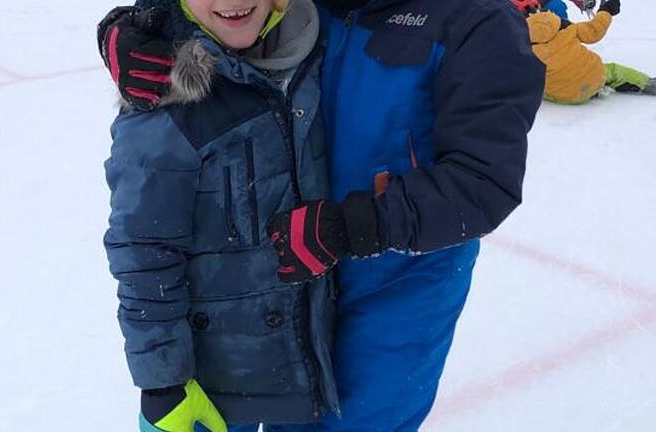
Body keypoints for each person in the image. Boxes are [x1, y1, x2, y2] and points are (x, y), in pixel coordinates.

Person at [100, 0, 545, 430]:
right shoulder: (312, 6)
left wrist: (352, 227)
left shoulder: (477, 22)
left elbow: (483, 181)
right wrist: (134, 27)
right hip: (289, 284)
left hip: (396, 288)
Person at [101, 0, 340, 431]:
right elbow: (143, 253)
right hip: (220, 390)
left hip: (312, 363)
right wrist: (163, 386)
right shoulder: (164, 105)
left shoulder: (310, 54)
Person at [513, 0, 656, 104]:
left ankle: (569, 83)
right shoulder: (566, 27)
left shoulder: (517, 42)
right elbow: (595, 30)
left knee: (533, 81)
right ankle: (649, 84)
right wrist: (606, 10)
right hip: (594, 75)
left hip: (562, 95)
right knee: (612, 70)